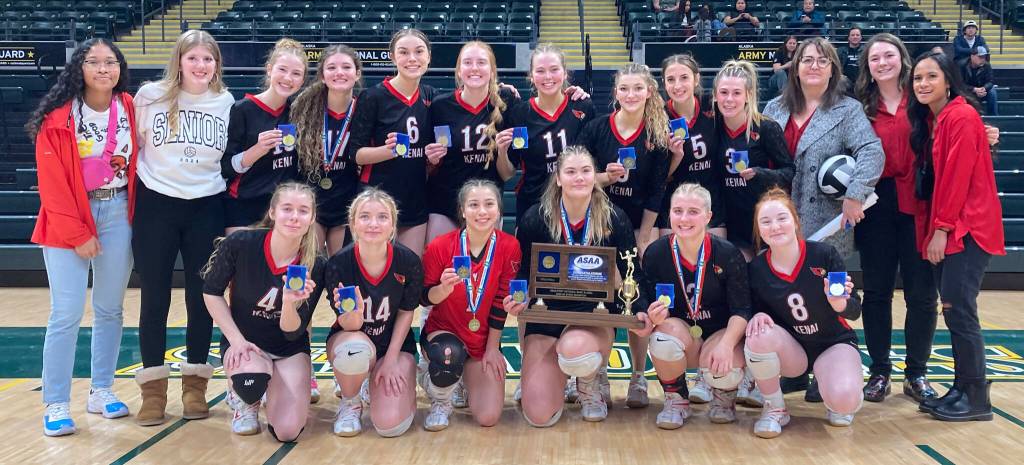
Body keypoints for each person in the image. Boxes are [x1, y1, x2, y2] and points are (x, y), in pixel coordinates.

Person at [26, 39, 136, 436]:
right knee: (66, 312)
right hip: (66, 217)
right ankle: (56, 401)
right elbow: (51, 186)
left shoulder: (131, 108)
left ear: (120, 67)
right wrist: (77, 232)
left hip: (117, 210)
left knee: (109, 309)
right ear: (79, 68)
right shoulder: (56, 117)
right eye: (94, 61)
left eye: (111, 62)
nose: (104, 68)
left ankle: (101, 390)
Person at [131, 30, 234, 426]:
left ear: (216, 65)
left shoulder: (225, 101)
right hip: (156, 204)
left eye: (208, 59)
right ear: (179, 61)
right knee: (154, 298)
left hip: (207, 205)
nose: (200, 65)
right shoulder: (150, 96)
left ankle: (195, 387)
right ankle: (153, 392)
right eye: (193, 58)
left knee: (200, 298)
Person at [515, 146, 648, 426]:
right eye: (571, 172)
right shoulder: (535, 219)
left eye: (586, 171)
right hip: (547, 316)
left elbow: (632, 274)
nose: (579, 178)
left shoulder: (615, 218)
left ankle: (589, 382)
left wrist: (637, 306)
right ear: (558, 178)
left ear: (595, 176)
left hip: (592, 316)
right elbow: (521, 275)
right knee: (539, 415)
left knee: (575, 349)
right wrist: (516, 298)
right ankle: (557, 376)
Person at [909, 51, 1005, 421]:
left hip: (967, 228)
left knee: (960, 312)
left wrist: (941, 230)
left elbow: (956, 179)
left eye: (931, 77)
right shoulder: (940, 119)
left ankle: (976, 397)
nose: (923, 84)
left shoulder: (961, 116)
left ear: (948, 80)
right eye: (918, 78)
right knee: (954, 311)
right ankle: (963, 386)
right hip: (954, 226)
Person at [579, 63, 675, 408]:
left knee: (636, 305)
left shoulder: (657, 133)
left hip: (637, 226)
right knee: (601, 304)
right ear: (615, 93)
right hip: (598, 226)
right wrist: (605, 177)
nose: (631, 94)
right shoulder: (594, 129)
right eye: (624, 89)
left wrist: (644, 235)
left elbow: (656, 190)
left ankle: (638, 376)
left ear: (649, 91)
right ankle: (600, 373)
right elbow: (577, 178)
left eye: (638, 88)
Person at [851, 33, 939, 404]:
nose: (883, 62)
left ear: (902, 59)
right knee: (876, 293)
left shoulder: (922, 99)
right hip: (877, 203)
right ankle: (880, 371)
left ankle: (916, 373)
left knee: (922, 294)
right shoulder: (859, 107)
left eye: (889, 55)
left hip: (919, 200)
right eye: (875, 58)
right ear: (867, 68)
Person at [201, 182, 325, 441]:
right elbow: (211, 292)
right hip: (247, 344)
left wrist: (290, 303)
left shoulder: (316, 264)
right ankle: (244, 398)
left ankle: (272, 386)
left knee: (288, 431)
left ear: (312, 217)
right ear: (272, 212)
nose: (294, 217)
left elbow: (292, 333)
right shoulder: (242, 243)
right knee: (252, 377)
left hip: (288, 348)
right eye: (287, 208)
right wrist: (236, 341)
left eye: (303, 211)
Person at [745, 187, 864, 438]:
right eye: (765, 222)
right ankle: (774, 408)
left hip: (833, 344)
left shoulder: (824, 254)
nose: (775, 226)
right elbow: (751, 309)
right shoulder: (756, 268)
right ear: (759, 230)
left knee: (845, 404)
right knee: (757, 333)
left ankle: (835, 388)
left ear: (795, 221)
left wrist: (839, 303)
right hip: (792, 351)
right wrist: (755, 315)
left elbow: (855, 309)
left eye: (781, 218)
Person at [639, 183, 751, 429]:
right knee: (662, 339)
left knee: (726, 368)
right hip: (682, 333)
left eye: (693, 211)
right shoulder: (656, 253)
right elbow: (645, 303)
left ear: (708, 216)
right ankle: (676, 399)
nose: (684, 218)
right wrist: (651, 317)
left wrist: (727, 344)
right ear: (669, 214)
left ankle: (724, 397)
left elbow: (742, 310)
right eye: (677, 211)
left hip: (717, 334)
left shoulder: (728, 254)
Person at [763, 37, 884, 260]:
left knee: (827, 292)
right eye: (807, 60)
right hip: (776, 220)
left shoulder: (848, 110)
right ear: (796, 69)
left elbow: (871, 151)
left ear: (833, 70)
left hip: (825, 224)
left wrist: (856, 194)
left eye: (822, 61)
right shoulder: (774, 107)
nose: (814, 66)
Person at [419, 179, 522, 430]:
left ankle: (463, 379)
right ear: (462, 210)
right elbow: (423, 297)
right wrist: (442, 289)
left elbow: (500, 301)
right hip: (444, 332)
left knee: (488, 417)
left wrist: (492, 348)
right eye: (473, 205)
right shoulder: (440, 246)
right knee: (448, 354)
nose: (482, 211)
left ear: (499, 209)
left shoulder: (510, 246)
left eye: (489, 204)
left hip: (481, 338)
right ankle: (440, 399)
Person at [323, 188, 423, 437]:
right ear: (353, 223)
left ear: (392, 225)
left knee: (390, 426)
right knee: (351, 351)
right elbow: (349, 325)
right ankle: (350, 401)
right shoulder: (338, 265)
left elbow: (405, 313)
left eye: (382, 217)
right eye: (365, 216)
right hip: (353, 337)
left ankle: (380, 383)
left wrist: (389, 360)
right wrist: (354, 313)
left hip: (395, 347)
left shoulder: (408, 262)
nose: (373, 224)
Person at [349, 29, 443, 257]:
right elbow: (356, 154)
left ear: (429, 56)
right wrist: (387, 151)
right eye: (404, 52)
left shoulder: (431, 95)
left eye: (419, 52)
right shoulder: (373, 97)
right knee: (371, 271)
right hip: (377, 197)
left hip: (415, 198)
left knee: (410, 271)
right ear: (392, 57)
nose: (412, 58)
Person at [425, 41, 518, 244]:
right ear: (459, 71)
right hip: (444, 204)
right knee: (439, 270)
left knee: (483, 271)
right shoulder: (440, 106)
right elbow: (430, 165)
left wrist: (502, 151)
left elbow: (507, 174)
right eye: (467, 62)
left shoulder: (508, 104)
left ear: (492, 71)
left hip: (486, 207)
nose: (474, 68)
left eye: (481, 62)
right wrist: (430, 159)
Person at [500, 43, 595, 220]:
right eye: (540, 71)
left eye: (554, 69)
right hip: (533, 204)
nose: (548, 76)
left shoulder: (583, 107)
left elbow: (594, 161)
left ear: (565, 73)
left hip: (576, 205)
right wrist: (502, 150)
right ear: (531, 76)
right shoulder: (520, 114)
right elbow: (507, 173)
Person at [222, 38, 307, 234]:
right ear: (269, 70)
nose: (288, 78)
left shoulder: (299, 112)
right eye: (282, 70)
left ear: (302, 81)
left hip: (284, 207)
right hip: (244, 204)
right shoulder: (242, 109)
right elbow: (225, 168)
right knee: (243, 263)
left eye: (296, 74)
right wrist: (256, 150)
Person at [713, 60, 794, 258]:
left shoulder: (766, 128)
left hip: (760, 220)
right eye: (723, 92)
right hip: (726, 221)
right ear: (715, 95)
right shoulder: (713, 126)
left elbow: (789, 172)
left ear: (749, 95)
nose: (729, 99)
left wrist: (760, 174)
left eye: (737, 93)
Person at [292, 44, 363, 257]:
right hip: (312, 201)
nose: (339, 72)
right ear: (322, 75)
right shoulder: (304, 110)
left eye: (346, 67)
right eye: (331, 67)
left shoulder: (365, 109)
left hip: (348, 202)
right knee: (307, 268)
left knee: (341, 272)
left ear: (357, 74)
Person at [659, 54, 724, 239]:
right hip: (674, 204)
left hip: (712, 202)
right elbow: (659, 178)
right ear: (664, 83)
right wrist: (676, 156)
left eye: (684, 77)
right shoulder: (658, 117)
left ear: (696, 79)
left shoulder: (713, 106)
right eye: (671, 79)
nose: (677, 85)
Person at [961, 45, 998, 116]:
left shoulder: (987, 65)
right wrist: (974, 89)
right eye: (980, 57)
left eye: (984, 57)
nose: (983, 59)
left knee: (992, 92)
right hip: (969, 91)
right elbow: (960, 84)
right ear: (972, 56)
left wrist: (983, 88)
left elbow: (990, 81)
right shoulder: (962, 65)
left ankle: (993, 116)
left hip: (982, 91)